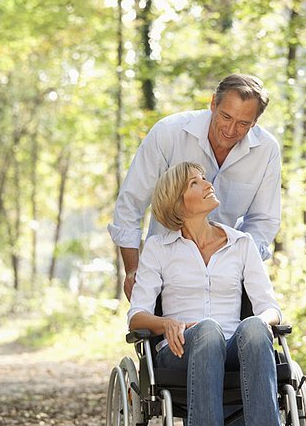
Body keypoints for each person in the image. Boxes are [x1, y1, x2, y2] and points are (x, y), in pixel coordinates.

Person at [128, 162, 289, 426]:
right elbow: (136, 315)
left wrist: (262, 322)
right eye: (194, 183)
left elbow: (270, 307)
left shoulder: (241, 244)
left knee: (255, 328)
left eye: (205, 178)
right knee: (206, 329)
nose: (206, 184)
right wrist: (165, 322)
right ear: (177, 202)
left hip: (234, 350)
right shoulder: (159, 249)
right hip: (181, 349)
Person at [109, 74, 281, 302]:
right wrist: (133, 269)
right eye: (225, 117)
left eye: (243, 124)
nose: (230, 130)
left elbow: (264, 220)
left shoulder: (266, 151)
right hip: (164, 271)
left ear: (255, 122)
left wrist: (242, 264)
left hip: (228, 276)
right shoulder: (168, 134)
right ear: (213, 104)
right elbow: (131, 203)